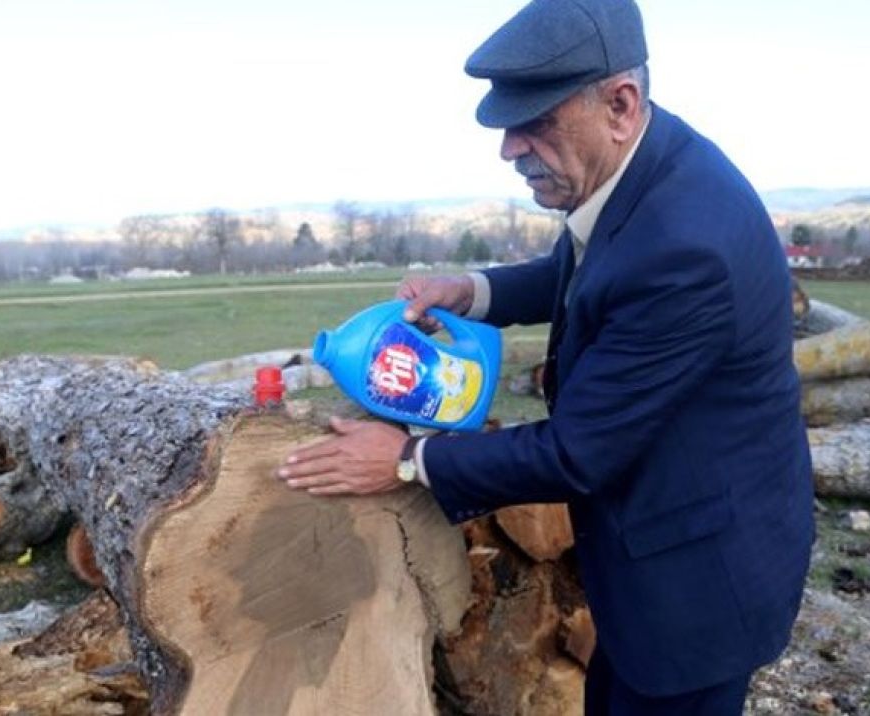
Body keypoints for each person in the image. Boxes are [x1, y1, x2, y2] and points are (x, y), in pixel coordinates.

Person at [277, 0, 814, 713]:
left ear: (619, 104)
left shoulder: (687, 247)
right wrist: (471, 290)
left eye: (535, 122)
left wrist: (406, 458)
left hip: (698, 582)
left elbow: (578, 451)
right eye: (506, 126)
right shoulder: (644, 166)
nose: (509, 149)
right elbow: (586, 269)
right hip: (658, 551)